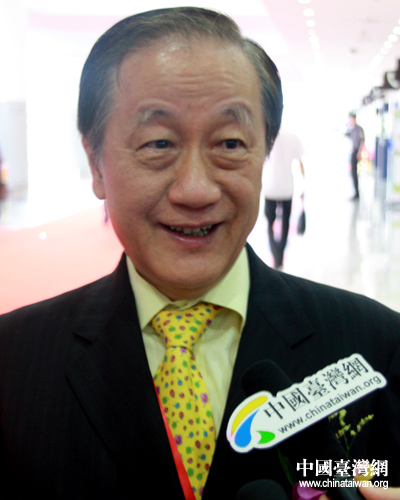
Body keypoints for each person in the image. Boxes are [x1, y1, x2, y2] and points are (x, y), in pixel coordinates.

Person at [0, 8, 399, 500]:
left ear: (263, 153)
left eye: (229, 143)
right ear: (95, 163)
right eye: (158, 144)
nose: (195, 190)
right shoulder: (13, 361)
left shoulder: (377, 346)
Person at [262, 128, 305, 268]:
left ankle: (275, 253)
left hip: (270, 187)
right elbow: (300, 164)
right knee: (286, 222)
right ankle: (279, 255)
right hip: (287, 187)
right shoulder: (292, 138)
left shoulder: (266, 137)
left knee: (270, 222)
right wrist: (303, 185)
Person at [345, 113, 365, 200]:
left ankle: (357, 193)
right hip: (353, 151)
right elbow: (346, 134)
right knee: (353, 173)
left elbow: (362, 141)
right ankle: (356, 192)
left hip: (357, 152)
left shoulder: (359, 129)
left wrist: (359, 152)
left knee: (354, 172)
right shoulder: (352, 129)